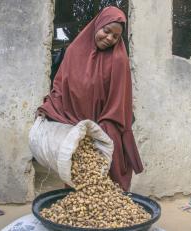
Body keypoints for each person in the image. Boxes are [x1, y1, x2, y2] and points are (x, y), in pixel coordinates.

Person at [36, 6, 143, 191]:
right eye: (106, 31)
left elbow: (119, 102)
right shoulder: (74, 51)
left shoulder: (118, 60)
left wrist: (100, 132)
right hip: (76, 130)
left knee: (108, 186)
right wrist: (48, 107)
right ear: (97, 25)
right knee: (78, 180)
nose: (109, 38)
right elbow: (60, 87)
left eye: (115, 36)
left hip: (106, 129)